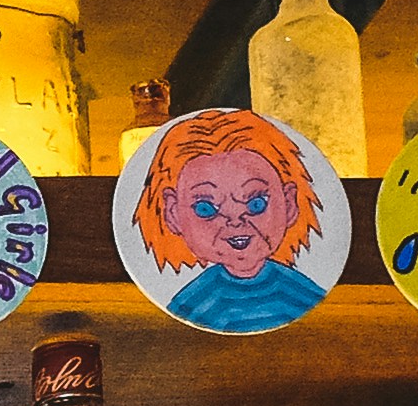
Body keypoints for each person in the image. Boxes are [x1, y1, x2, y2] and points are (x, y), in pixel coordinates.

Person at [135, 107, 330, 331]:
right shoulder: (190, 305)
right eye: (206, 209)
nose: (236, 221)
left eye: (256, 203)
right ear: (173, 213)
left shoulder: (305, 294)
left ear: (289, 203)